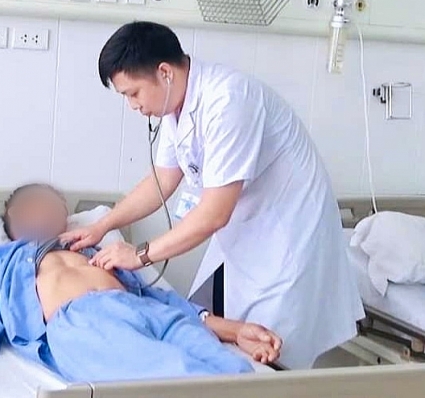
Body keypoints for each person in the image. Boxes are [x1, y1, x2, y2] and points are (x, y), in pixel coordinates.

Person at [60, 21, 365, 370]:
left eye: (133, 93)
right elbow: (163, 179)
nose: (132, 105)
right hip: (244, 239)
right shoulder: (175, 106)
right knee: (220, 341)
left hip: (286, 247)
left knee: (271, 361)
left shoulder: (229, 101)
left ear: (164, 73)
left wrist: (140, 255)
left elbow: (214, 214)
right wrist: (103, 225)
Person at [0, 183, 282, 384]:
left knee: (235, 376)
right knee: (173, 378)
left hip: (147, 311)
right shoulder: (0, 259)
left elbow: (159, 298)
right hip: (84, 321)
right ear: (14, 217)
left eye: (55, 207)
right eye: (37, 205)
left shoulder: (98, 250)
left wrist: (236, 331)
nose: (49, 212)